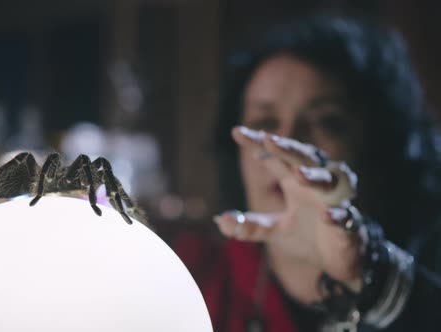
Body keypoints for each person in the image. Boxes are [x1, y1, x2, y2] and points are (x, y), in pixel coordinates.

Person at [173, 14, 441, 331]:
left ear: (379, 147)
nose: (288, 142)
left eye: (327, 121)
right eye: (264, 124)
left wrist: (374, 278)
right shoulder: (186, 278)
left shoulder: (425, 278)